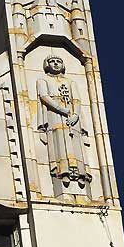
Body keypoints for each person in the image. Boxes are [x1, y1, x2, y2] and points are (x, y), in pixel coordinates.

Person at [36, 55, 91, 189]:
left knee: (75, 141)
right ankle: (62, 171)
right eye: (52, 61)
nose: (55, 64)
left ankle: (80, 173)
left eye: (58, 61)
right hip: (54, 114)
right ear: (47, 64)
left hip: (72, 116)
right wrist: (62, 110)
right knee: (59, 140)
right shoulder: (43, 80)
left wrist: (75, 115)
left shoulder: (70, 81)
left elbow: (76, 100)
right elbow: (44, 96)